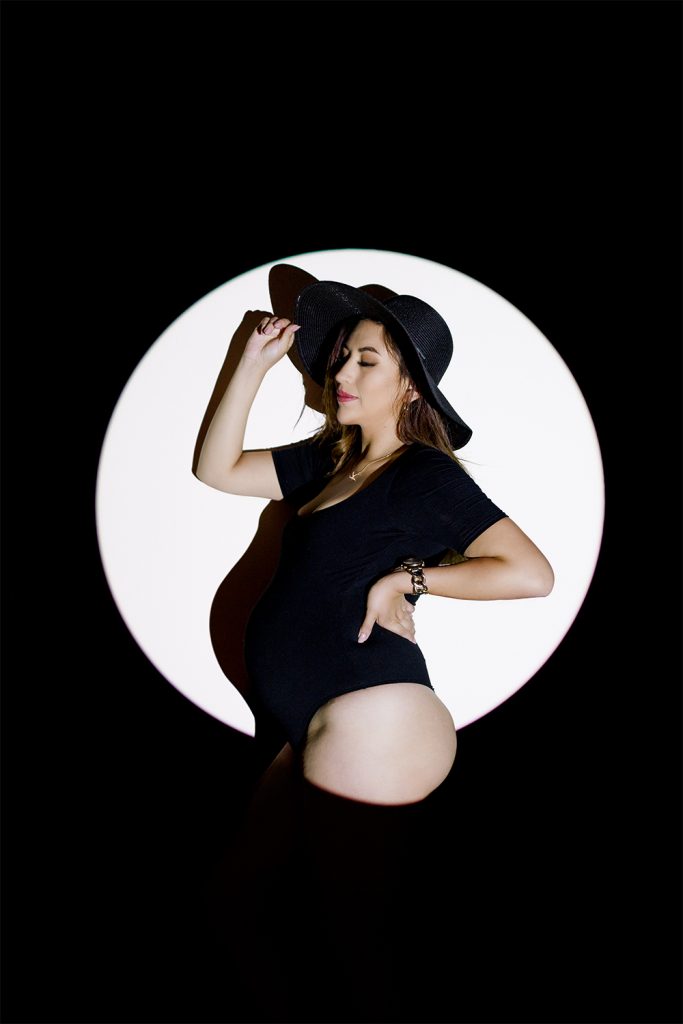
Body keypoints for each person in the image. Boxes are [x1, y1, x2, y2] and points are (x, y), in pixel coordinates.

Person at [196, 275, 555, 1020]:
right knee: (236, 907)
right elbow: (216, 469)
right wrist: (250, 365)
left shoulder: (421, 474)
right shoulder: (328, 462)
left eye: (366, 361)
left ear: (410, 388)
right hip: (311, 724)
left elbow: (531, 573)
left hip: (371, 712)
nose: (341, 373)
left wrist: (411, 578)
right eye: (340, 357)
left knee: (353, 941)